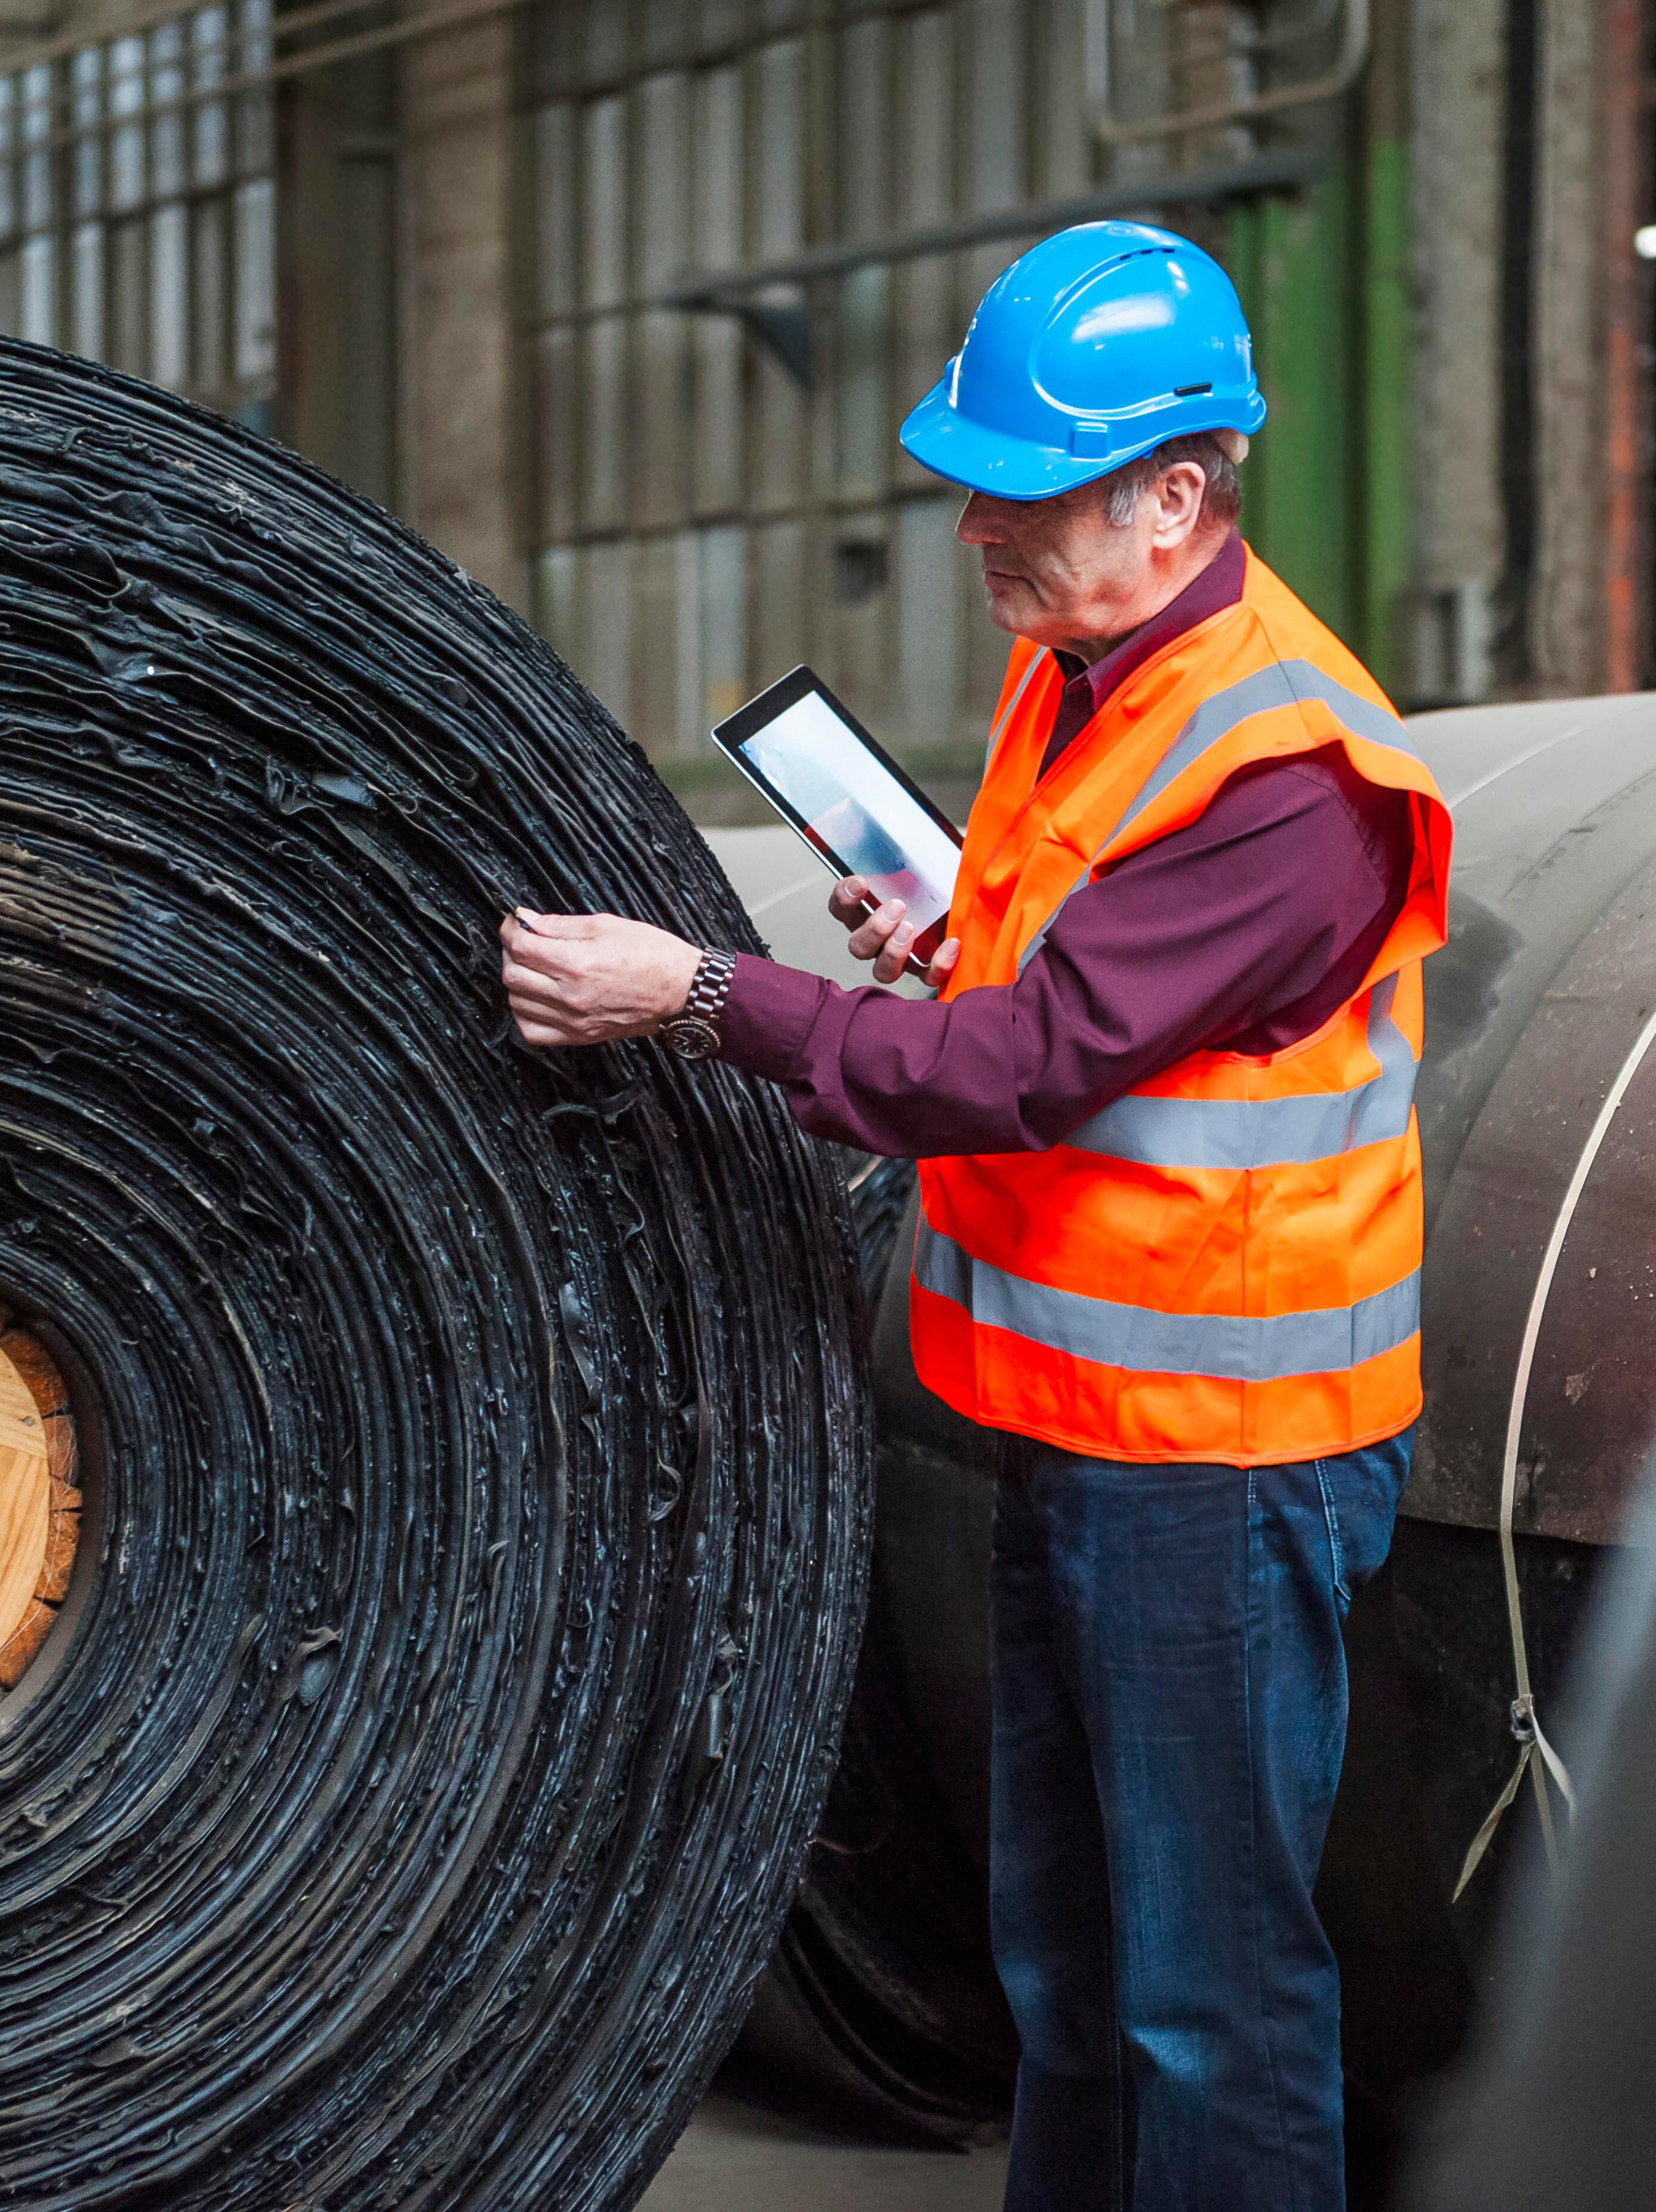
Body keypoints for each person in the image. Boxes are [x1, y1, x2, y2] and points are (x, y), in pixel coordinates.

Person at [500, 220, 1451, 2212]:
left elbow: (1029, 1071)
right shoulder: (1088, 668)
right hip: (1074, 1432)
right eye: (972, 489)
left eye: (1022, 495)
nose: (975, 537)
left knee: (1213, 1991)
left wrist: (696, 993)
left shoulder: (1293, 777)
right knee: (1075, 1963)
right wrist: (952, 929)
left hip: (1217, 1465)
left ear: (1178, 495)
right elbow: (1064, 982)